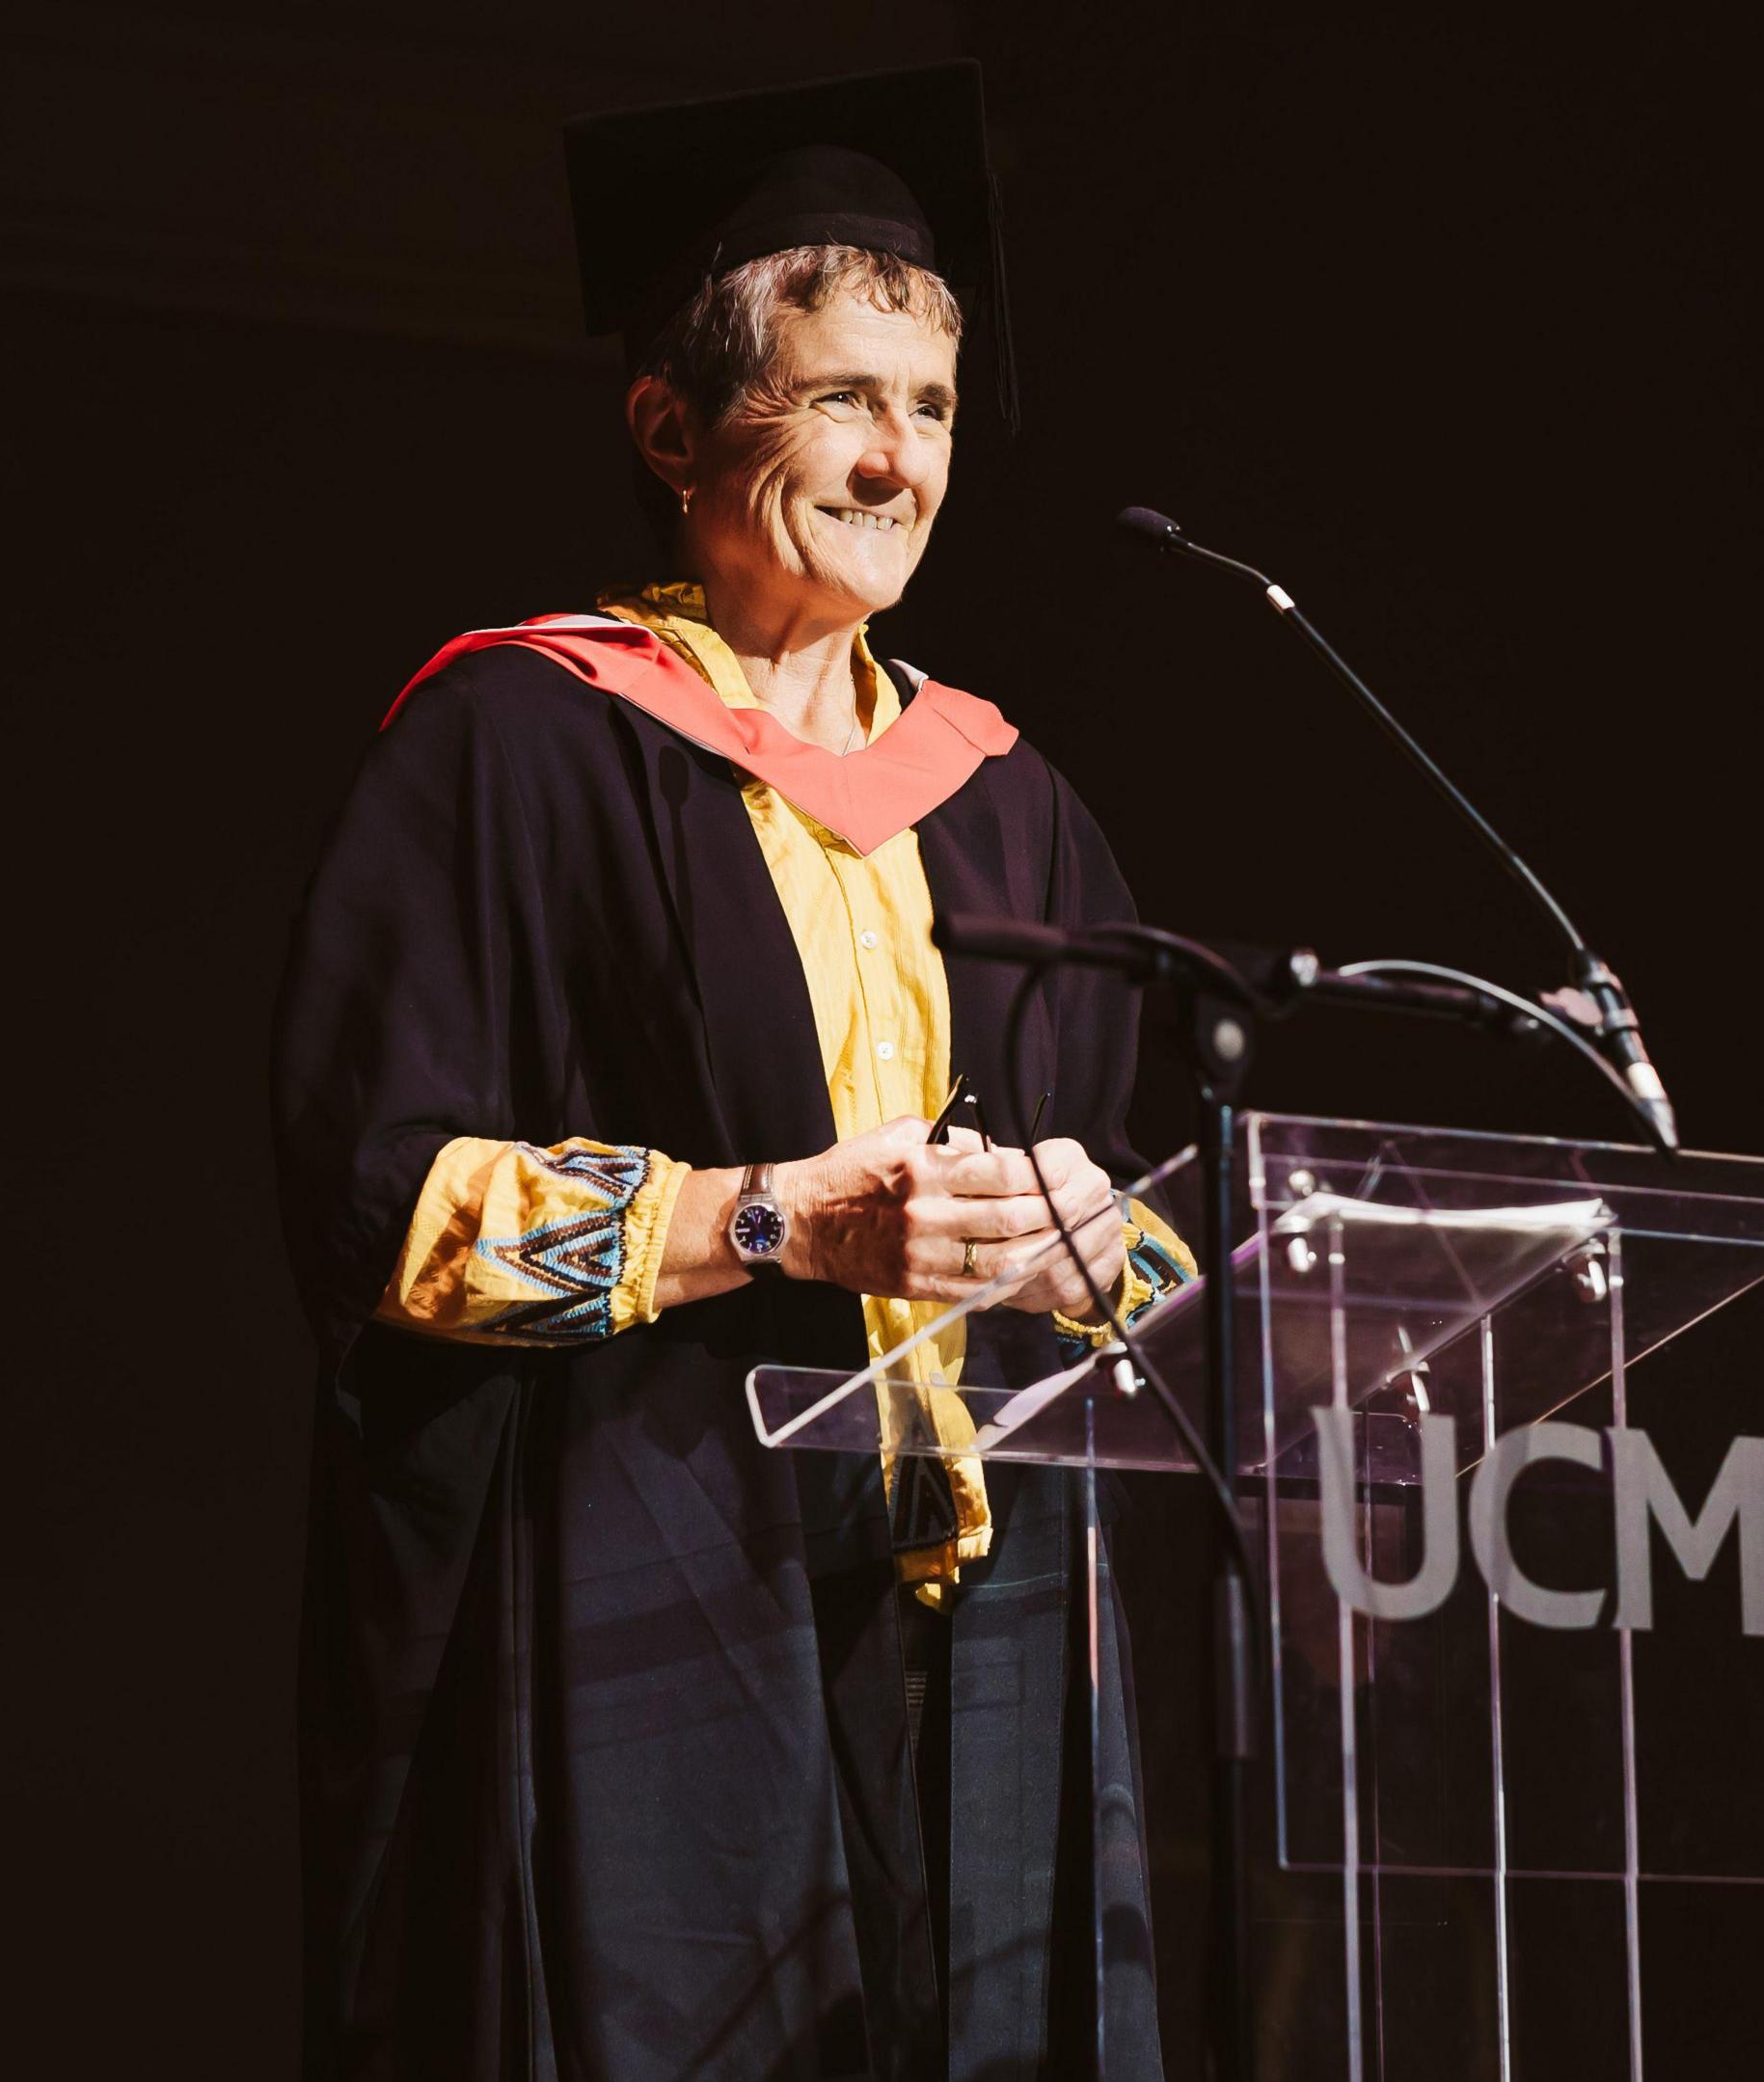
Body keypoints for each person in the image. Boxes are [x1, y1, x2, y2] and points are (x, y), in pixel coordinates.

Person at [269, 65, 1187, 2082]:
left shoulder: (1015, 804)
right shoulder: (517, 750)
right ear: (670, 425)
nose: (896, 461)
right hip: (653, 1630)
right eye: (841, 397)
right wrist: (775, 1218)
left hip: (977, 1655)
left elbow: (1155, 1232)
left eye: (932, 407)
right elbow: (380, 1203)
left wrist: (1087, 1241)